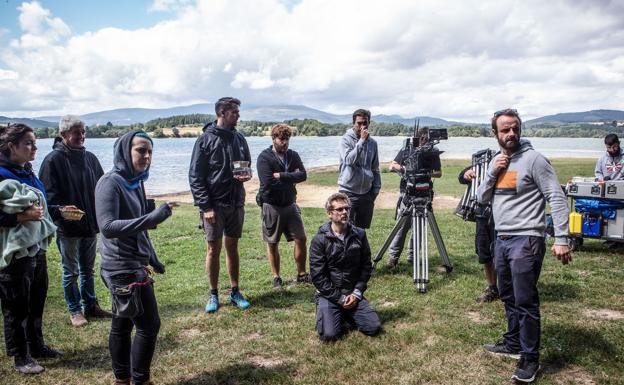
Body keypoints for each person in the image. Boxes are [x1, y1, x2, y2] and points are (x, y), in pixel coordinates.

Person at [477, 108, 572, 383]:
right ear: (494, 133)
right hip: (502, 238)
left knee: (525, 300)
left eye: (515, 128)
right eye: (505, 129)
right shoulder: (498, 160)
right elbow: (483, 197)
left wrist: (562, 238)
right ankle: (513, 342)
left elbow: (556, 196)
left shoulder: (534, 160)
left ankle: (530, 358)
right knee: (506, 294)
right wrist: (493, 172)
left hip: (527, 239)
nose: (511, 133)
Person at [95, 130, 176, 385]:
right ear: (125, 151)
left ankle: (122, 380)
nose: (147, 156)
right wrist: (153, 218)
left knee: (122, 325)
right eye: (141, 150)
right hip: (121, 267)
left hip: (134, 262)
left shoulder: (136, 180)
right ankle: (140, 380)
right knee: (149, 325)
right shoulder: (111, 182)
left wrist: (152, 257)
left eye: (150, 151)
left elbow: (138, 226)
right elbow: (107, 227)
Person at [0, 123, 65, 374]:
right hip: (14, 254)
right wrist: (19, 218)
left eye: (35, 142)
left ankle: (36, 345)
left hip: (35, 248)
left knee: (36, 299)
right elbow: (19, 213)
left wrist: (57, 211)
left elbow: (40, 206)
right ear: (11, 146)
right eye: (28, 143)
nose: (34, 147)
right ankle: (21, 357)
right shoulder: (2, 174)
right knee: (16, 306)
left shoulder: (25, 170)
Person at [38, 115, 111, 328]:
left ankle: (91, 306)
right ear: (63, 135)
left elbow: (102, 188)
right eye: (76, 132)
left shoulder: (90, 159)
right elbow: (46, 198)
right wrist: (60, 210)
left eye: (83, 132)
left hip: (89, 224)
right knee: (71, 271)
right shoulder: (53, 160)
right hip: (67, 227)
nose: (81, 136)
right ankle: (74, 310)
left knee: (88, 269)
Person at [189, 97, 252, 313]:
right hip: (214, 206)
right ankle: (213, 293)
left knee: (232, 247)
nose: (238, 115)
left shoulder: (240, 138)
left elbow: (247, 165)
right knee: (213, 249)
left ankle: (235, 291)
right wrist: (205, 207)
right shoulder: (205, 140)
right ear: (222, 113)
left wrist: (246, 175)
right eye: (235, 111)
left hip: (236, 202)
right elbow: (196, 177)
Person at [309, 192, 381, 341]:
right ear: (330, 213)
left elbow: (366, 266)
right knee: (329, 335)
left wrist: (356, 293)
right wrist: (339, 298)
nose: (344, 212)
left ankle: (347, 312)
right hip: (329, 294)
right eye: (340, 209)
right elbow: (318, 276)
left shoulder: (359, 234)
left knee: (373, 327)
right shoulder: (319, 240)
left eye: (347, 209)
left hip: (352, 292)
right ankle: (332, 310)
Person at [256, 124, 309, 289]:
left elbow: (303, 175)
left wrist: (283, 175)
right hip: (271, 204)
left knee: (301, 238)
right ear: (273, 139)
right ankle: (276, 277)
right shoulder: (264, 157)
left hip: (290, 204)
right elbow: (268, 182)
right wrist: (291, 178)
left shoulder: (293, 155)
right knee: (272, 242)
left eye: (287, 139)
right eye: (281, 139)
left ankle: (301, 274)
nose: (284, 143)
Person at [386, 127, 441, 267]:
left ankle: (413, 257)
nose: (426, 141)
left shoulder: (432, 153)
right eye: (424, 138)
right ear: (418, 137)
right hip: (407, 193)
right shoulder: (407, 149)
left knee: (419, 229)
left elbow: (438, 173)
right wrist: (405, 170)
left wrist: (425, 173)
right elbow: (392, 165)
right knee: (401, 227)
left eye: (428, 139)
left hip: (424, 193)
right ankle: (393, 258)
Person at [458, 163, 498, 303]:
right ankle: (492, 287)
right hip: (482, 212)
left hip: (502, 213)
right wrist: (466, 173)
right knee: (484, 252)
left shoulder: (510, 159)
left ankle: (508, 288)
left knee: (502, 253)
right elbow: (461, 177)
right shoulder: (484, 159)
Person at [337, 109, 381, 229]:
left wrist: (376, 189)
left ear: (369, 123)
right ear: (353, 123)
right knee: (346, 229)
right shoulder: (345, 140)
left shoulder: (373, 143)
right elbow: (348, 160)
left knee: (361, 231)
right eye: (359, 123)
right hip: (348, 192)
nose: (362, 126)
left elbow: (375, 168)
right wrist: (361, 141)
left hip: (367, 194)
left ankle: (360, 249)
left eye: (365, 123)